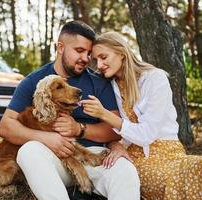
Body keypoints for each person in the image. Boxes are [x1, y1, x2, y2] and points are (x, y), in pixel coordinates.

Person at [0, 21, 140, 200]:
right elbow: (6, 126)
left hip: (93, 157)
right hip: (52, 162)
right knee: (28, 151)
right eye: (79, 51)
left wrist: (79, 129)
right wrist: (46, 139)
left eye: (89, 53)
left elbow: (114, 130)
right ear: (60, 47)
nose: (86, 58)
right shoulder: (34, 81)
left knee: (125, 170)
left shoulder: (99, 82)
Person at [81, 31, 202, 200]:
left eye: (103, 57)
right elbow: (115, 135)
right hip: (137, 158)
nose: (99, 65)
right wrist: (117, 146)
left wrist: (104, 114)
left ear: (121, 53)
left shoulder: (154, 79)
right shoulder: (109, 86)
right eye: (96, 60)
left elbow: (147, 134)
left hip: (170, 152)